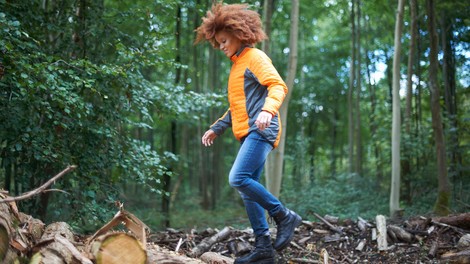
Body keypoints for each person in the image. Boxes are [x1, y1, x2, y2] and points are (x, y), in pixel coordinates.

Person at [195, 2, 302, 263]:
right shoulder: (237, 67)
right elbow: (236, 108)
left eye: (223, 40)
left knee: (238, 178)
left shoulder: (255, 57)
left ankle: (283, 215)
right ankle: (264, 248)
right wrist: (215, 129)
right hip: (249, 131)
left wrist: (267, 110)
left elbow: (277, 85)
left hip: (263, 128)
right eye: (217, 43)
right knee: (246, 189)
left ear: (238, 33)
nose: (220, 46)